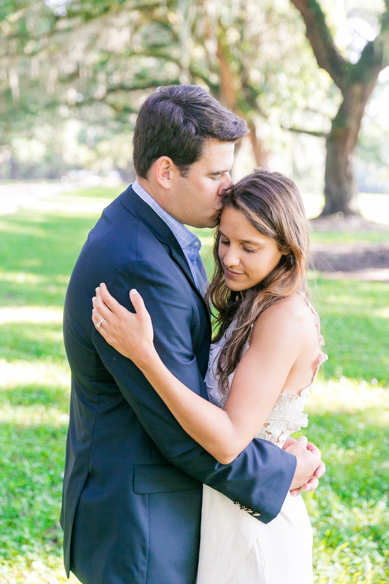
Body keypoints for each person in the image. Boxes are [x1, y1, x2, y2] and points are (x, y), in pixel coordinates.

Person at [62, 84, 323, 584]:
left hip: (179, 514)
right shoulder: (138, 262)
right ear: (165, 171)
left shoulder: (150, 230)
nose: (229, 186)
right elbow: (181, 433)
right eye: (217, 173)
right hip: (144, 526)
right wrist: (282, 472)